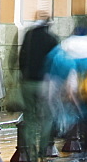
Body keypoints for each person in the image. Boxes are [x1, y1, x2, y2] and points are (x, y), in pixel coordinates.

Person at [19, 12, 58, 160]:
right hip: (45, 84)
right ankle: (43, 150)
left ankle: (31, 153)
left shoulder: (28, 36)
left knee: (30, 118)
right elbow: (56, 63)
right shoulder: (52, 39)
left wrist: (23, 76)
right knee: (47, 118)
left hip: (27, 82)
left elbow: (20, 58)